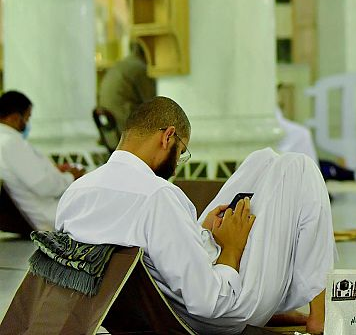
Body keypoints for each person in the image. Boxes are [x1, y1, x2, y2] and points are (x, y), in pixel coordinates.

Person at [56, 96, 335, 335]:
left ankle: (272, 306)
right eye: (181, 151)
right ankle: (319, 313)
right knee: (299, 167)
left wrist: (202, 233)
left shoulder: (76, 192)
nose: (177, 163)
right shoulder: (157, 195)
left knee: (261, 161)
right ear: (168, 137)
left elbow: (156, 255)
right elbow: (208, 301)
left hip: (153, 308)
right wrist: (231, 249)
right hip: (217, 315)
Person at [0, 90, 84, 230]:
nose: (27, 123)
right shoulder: (9, 142)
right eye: (27, 118)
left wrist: (54, 170)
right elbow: (44, 186)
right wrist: (71, 176)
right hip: (50, 215)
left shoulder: (8, 140)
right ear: (14, 117)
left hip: (50, 208)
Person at [98, 42, 157, 133]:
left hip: (110, 133)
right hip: (126, 135)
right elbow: (153, 104)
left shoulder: (123, 64)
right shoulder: (139, 68)